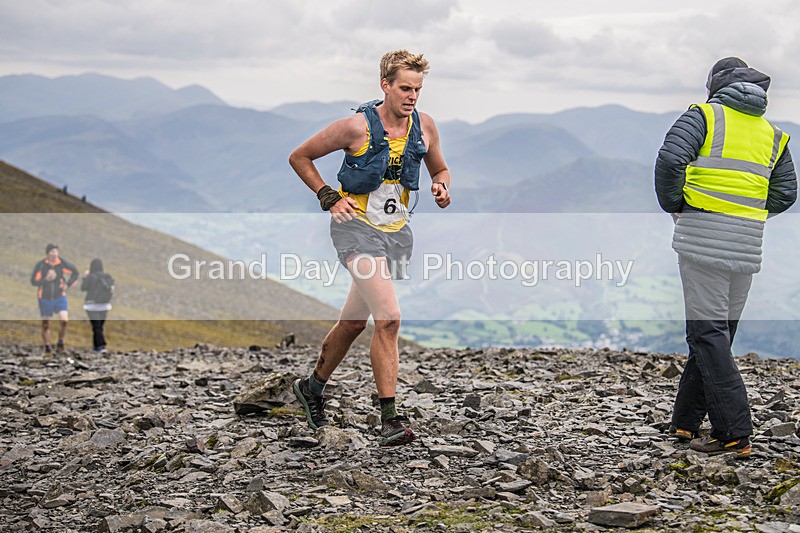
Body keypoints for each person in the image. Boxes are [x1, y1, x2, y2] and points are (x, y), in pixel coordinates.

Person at [288, 50, 451, 446]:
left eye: (418, 89)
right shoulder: (355, 127)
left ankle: (311, 388)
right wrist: (328, 196)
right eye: (405, 88)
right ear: (385, 85)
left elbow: (440, 168)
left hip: (395, 233)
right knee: (389, 318)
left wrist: (441, 186)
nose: (412, 96)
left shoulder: (424, 126)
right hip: (355, 230)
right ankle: (389, 419)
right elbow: (300, 157)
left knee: (353, 323)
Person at [655, 57, 797, 458]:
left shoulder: (702, 116)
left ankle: (733, 432)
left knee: (707, 333)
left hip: (702, 239)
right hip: (747, 243)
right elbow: (786, 194)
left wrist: (677, 205)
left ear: (714, 86)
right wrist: (744, 215)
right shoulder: (773, 135)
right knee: (717, 334)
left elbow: (670, 161)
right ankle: (685, 422)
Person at [30, 243, 80, 354]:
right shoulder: (41, 265)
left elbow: (75, 273)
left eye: (56, 251)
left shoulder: (61, 263)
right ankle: (47, 347)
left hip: (59, 296)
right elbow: (33, 281)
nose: (54, 254)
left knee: (64, 320)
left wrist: (68, 285)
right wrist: (45, 279)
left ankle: (60, 343)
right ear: (48, 253)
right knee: (46, 324)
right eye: (52, 251)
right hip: (44, 297)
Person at [81, 259, 114, 352]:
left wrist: (85, 277)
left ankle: (100, 346)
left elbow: (83, 288)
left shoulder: (91, 277)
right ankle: (98, 346)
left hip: (91, 305)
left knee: (96, 326)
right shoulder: (107, 276)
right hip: (104, 304)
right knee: (99, 326)